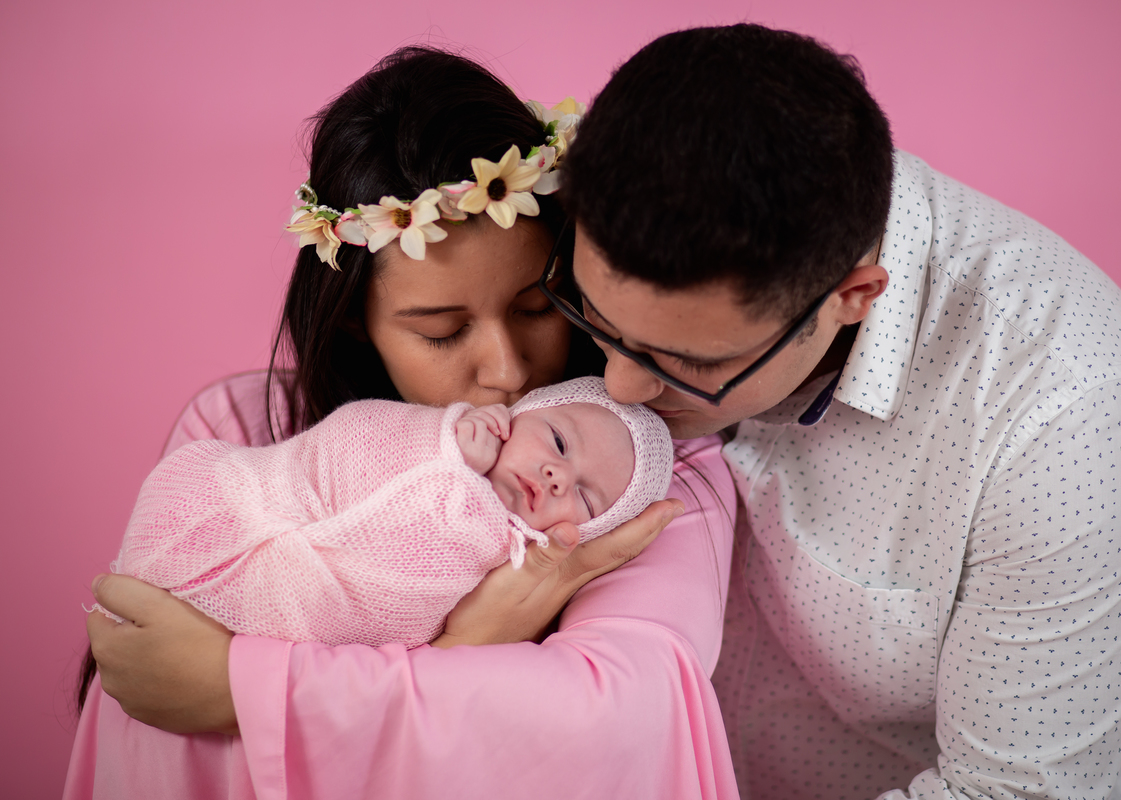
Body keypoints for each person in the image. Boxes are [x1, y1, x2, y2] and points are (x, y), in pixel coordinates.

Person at [67, 46, 738, 799]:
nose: (506, 370)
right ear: (356, 321)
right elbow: (144, 673)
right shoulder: (243, 428)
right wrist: (472, 648)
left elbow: (616, 715)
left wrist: (241, 689)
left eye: (535, 308)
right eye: (443, 332)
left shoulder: (641, 473)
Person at [553, 23, 1121, 800]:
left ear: (853, 296)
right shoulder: (608, 217)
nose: (619, 386)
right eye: (595, 319)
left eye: (687, 362)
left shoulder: (1066, 401)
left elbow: (1011, 794)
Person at [110, 377, 674, 648]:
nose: (558, 476)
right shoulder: (442, 431)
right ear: (515, 415)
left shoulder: (515, 570)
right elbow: (347, 442)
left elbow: (405, 613)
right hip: (252, 497)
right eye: (558, 441)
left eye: (586, 499)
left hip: (308, 613)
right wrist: (447, 447)